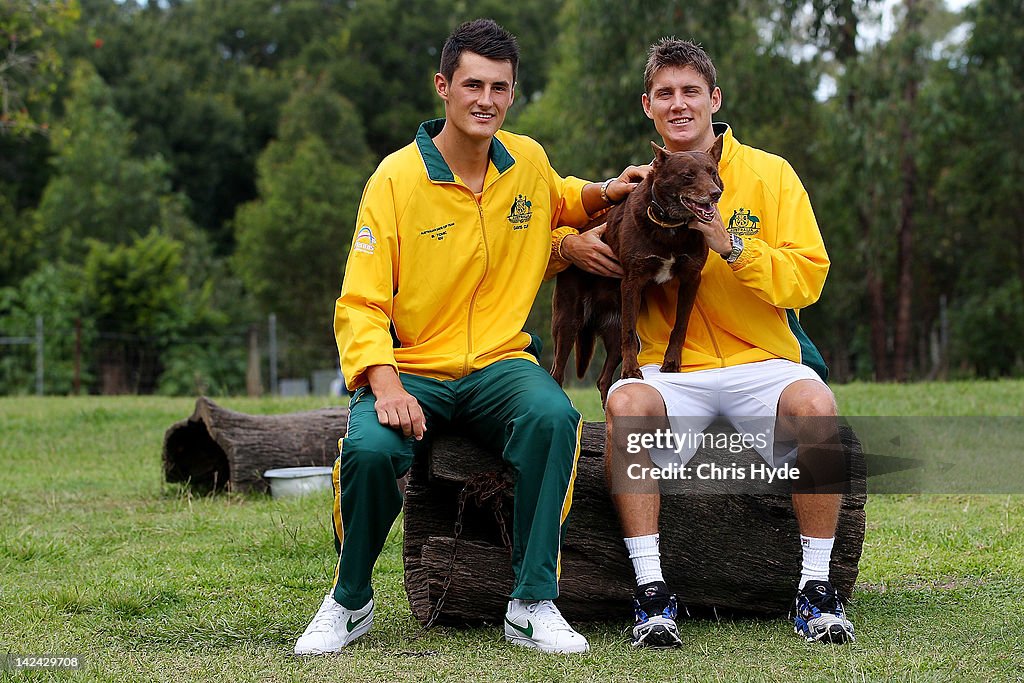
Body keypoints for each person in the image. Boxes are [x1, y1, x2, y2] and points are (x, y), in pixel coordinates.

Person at [293, 18, 648, 656]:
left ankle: (532, 601)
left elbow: (558, 198)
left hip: (497, 362)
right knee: (371, 451)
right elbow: (360, 301)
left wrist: (602, 193)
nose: (486, 99)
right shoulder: (394, 181)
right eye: (473, 84)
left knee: (553, 417)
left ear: (512, 94)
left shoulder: (527, 161)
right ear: (443, 87)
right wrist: (385, 383)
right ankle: (349, 601)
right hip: (411, 367)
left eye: (500, 87)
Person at [556, 37, 855, 647]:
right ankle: (651, 594)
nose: (679, 104)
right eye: (665, 94)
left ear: (714, 99)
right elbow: (545, 217)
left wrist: (734, 249)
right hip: (674, 371)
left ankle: (817, 593)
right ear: (648, 106)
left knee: (817, 407)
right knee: (624, 404)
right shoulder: (641, 185)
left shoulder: (770, 175)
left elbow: (810, 276)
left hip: (762, 360)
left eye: (691, 91)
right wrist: (566, 246)